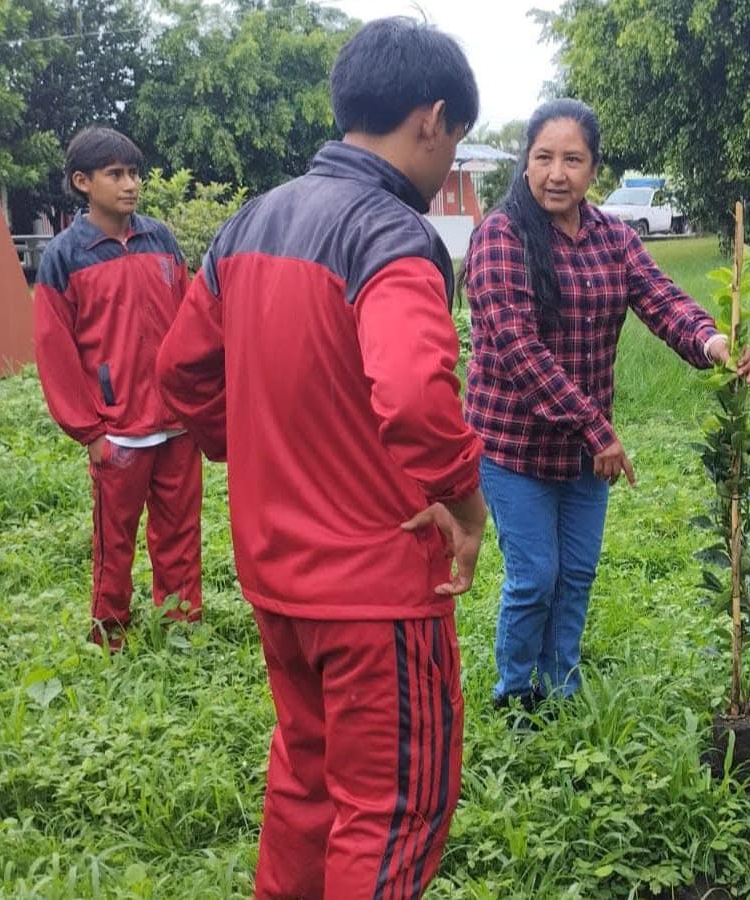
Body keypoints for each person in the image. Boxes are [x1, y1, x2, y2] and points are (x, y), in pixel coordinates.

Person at [156, 18, 486, 899]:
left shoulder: (250, 220)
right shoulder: (392, 234)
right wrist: (467, 502)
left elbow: (182, 372)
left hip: (277, 576)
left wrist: (254, 447)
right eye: (454, 143)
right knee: (391, 811)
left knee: (307, 784)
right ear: (433, 119)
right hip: (378, 590)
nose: (448, 162)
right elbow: (417, 395)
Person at [463, 98, 750, 711]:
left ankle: (561, 683)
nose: (556, 173)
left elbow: (661, 300)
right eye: (543, 157)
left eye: (572, 159)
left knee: (575, 575)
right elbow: (519, 350)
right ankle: (516, 693)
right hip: (513, 444)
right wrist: (597, 429)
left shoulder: (611, 237)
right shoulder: (500, 235)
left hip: (585, 448)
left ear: (592, 168)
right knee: (534, 577)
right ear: (526, 162)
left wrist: (711, 340)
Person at [32, 127, 202, 648]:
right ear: (83, 182)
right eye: (116, 174)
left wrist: (197, 405)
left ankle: (181, 629)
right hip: (117, 431)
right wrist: (91, 431)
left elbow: (193, 321)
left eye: (134, 174)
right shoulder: (64, 257)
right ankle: (111, 634)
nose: (130, 185)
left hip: (176, 425)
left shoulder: (162, 241)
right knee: (115, 544)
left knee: (180, 535)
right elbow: (54, 351)